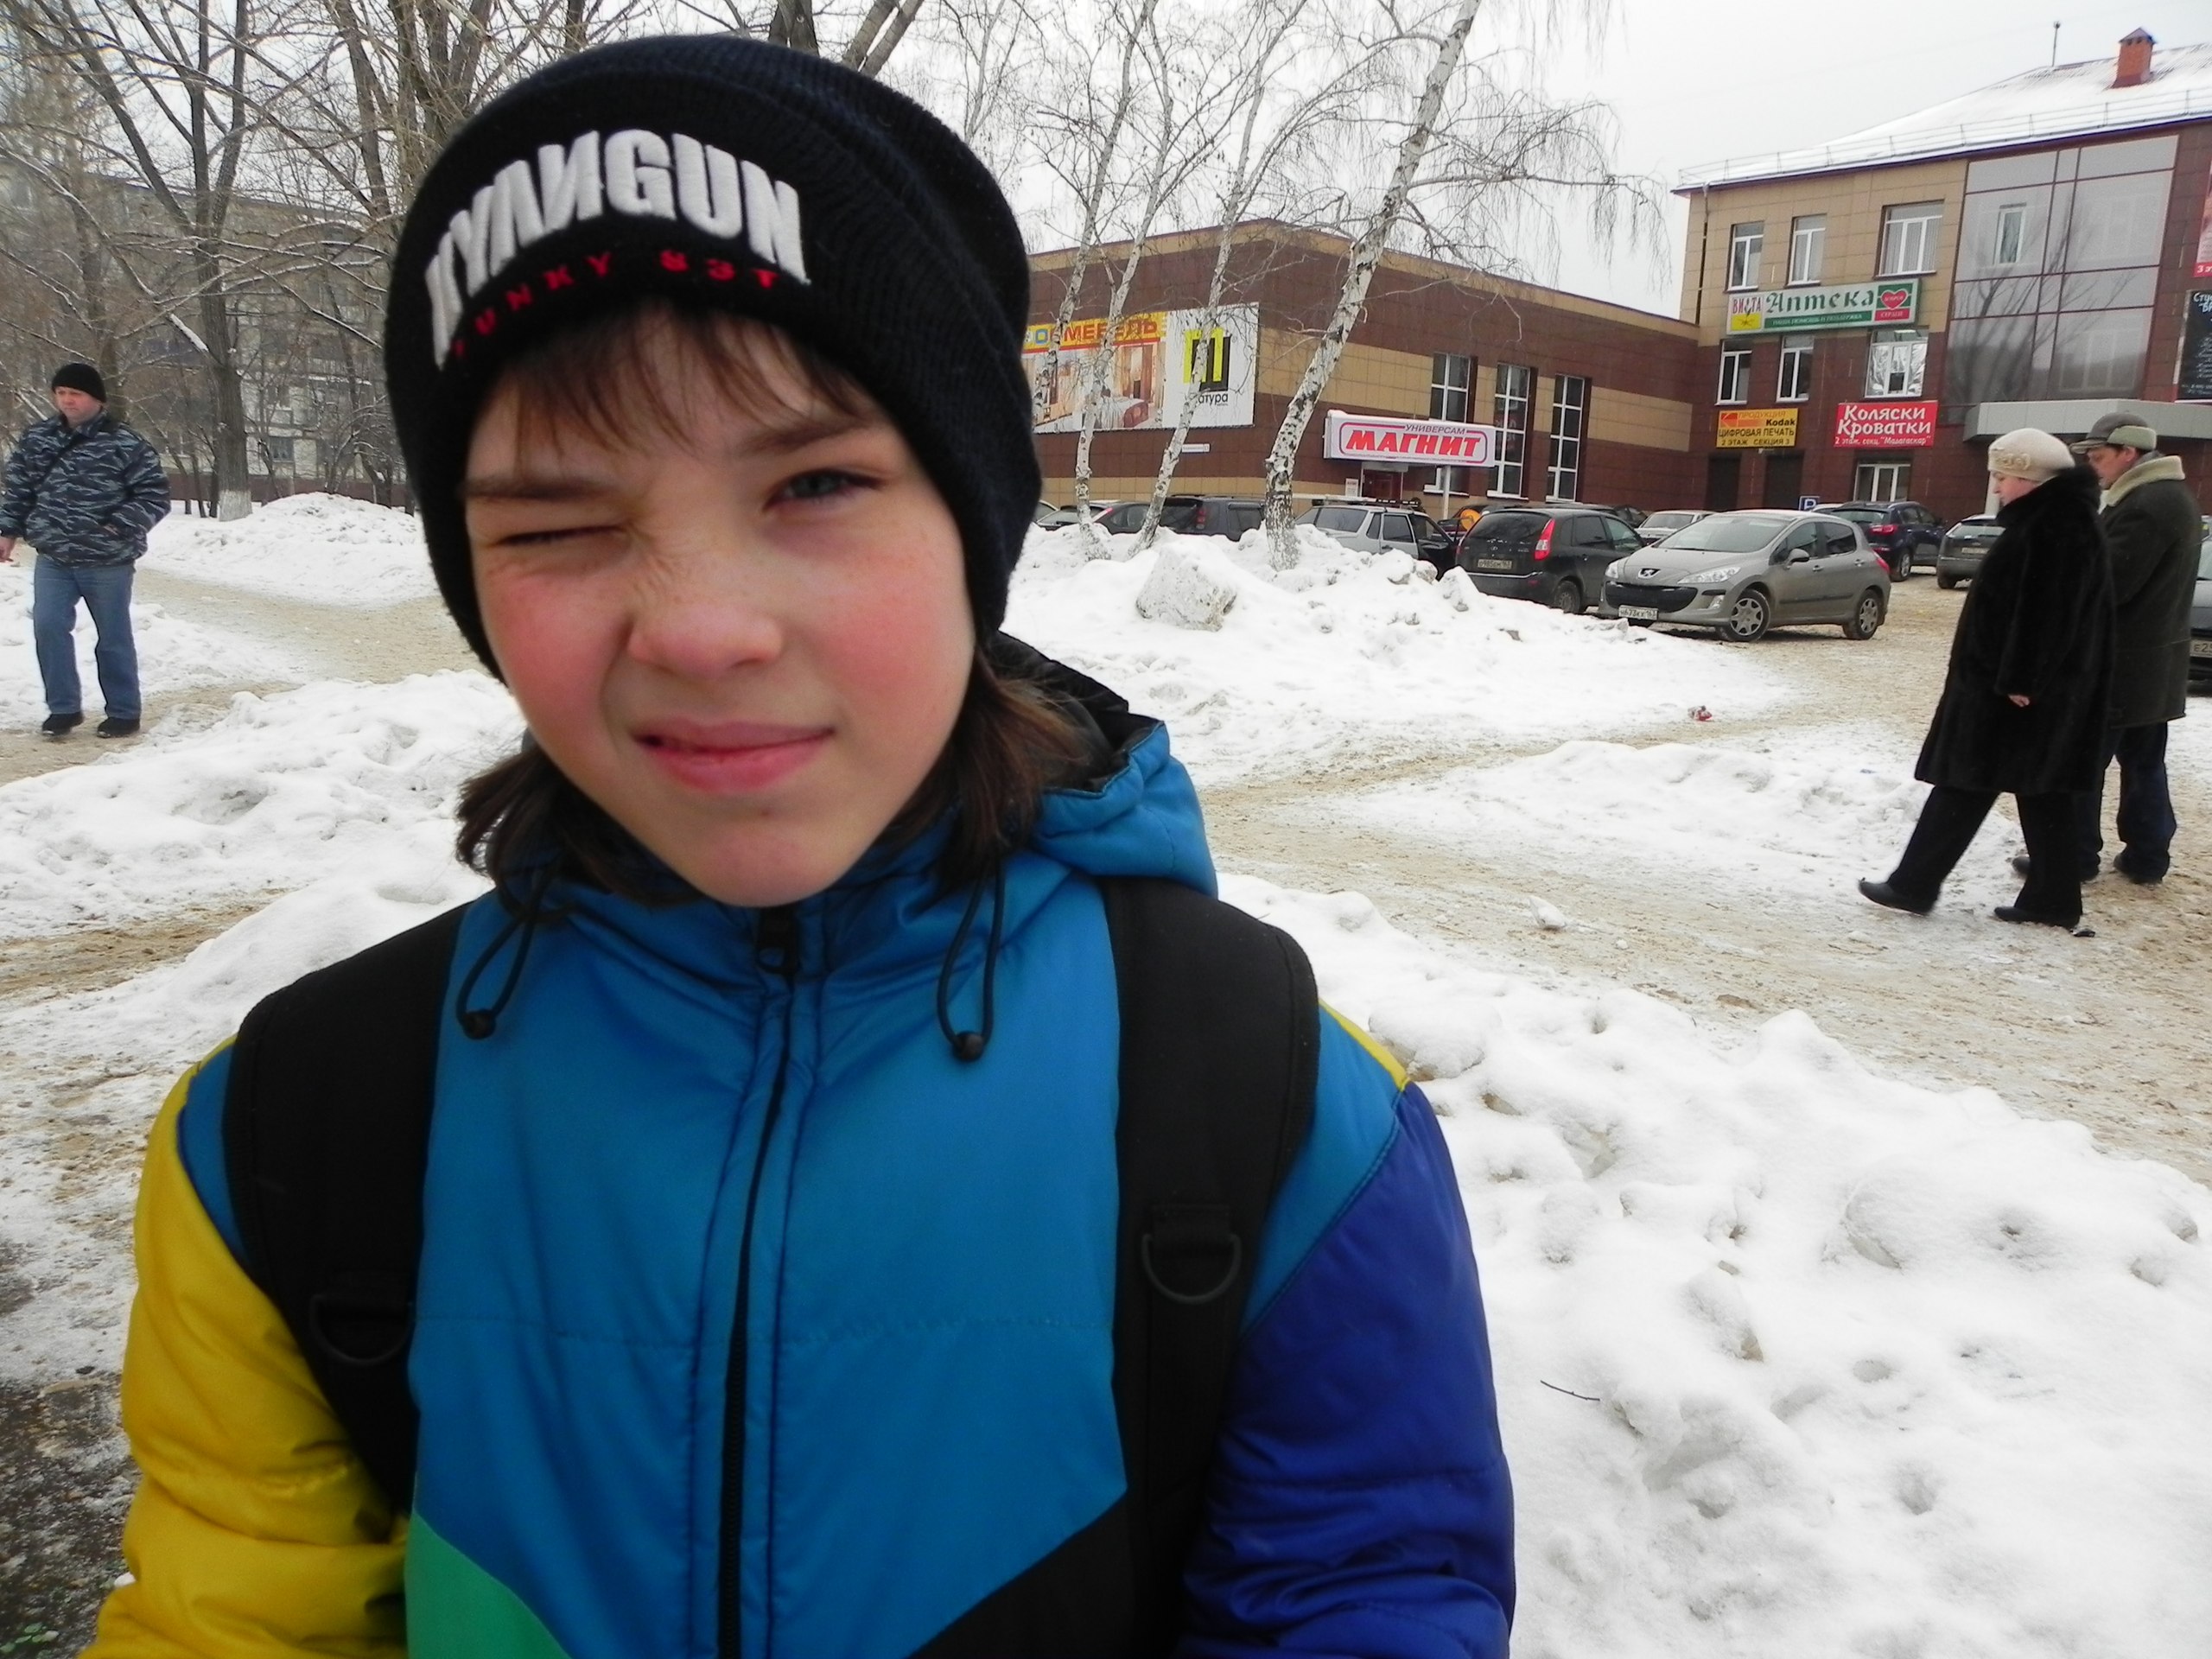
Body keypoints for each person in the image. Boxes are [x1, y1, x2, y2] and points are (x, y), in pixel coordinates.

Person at [91, 39, 1514, 1658]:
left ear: (974, 529)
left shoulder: (1279, 1112)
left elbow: (1363, 1597)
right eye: (556, 523)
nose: (700, 630)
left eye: (818, 482)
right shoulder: (289, 1136)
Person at [1860, 428, 2113, 929]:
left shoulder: (2057, 525)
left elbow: (2050, 611)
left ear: (2031, 478)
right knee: (2042, 790)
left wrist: (2023, 679)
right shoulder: (2056, 519)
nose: (1996, 486)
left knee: (1968, 781)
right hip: (2026, 689)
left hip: (2014, 693)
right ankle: (2052, 899)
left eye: (2002, 476)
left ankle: (1914, 885)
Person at [2058, 411, 2199, 885]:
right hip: (2151, 665)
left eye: (2099, 456)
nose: (2093, 466)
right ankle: (2147, 856)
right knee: (2143, 763)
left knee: (2084, 762)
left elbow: (2108, 585)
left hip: (2120, 665)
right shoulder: (2169, 496)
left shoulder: (2146, 504)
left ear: (2129, 452)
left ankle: (2073, 856)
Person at [0, 363, 170, 738]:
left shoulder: (125, 443)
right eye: (61, 393)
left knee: (113, 637)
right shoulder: (38, 438)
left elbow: (154, 496)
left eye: (75, 394)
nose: (67, 400)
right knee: (48, 627)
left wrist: (116, 526)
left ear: (97, 399)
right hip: (54, 557)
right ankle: (63, 708)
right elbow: (19, 489)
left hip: (107, 560)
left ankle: (124, 711)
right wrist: (7, 531)